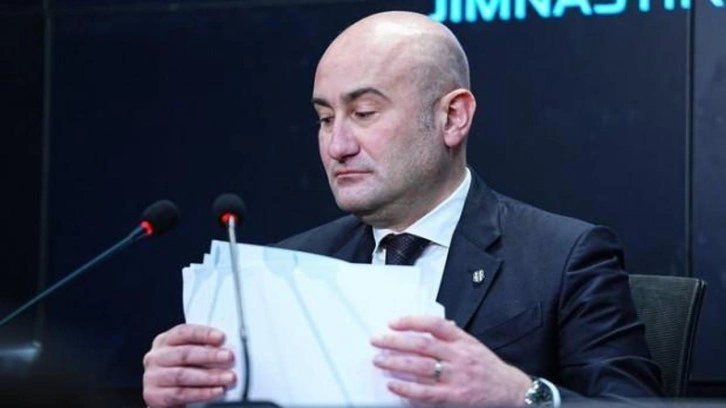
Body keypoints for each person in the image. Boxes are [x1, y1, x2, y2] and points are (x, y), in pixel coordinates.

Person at [142, 11, 663, 407]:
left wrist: (520, 395)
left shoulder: (563, 258)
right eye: (325, 119)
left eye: (364, 112)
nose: (337, 145)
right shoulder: (292, 268)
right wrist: (186, 395)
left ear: (453, 118)